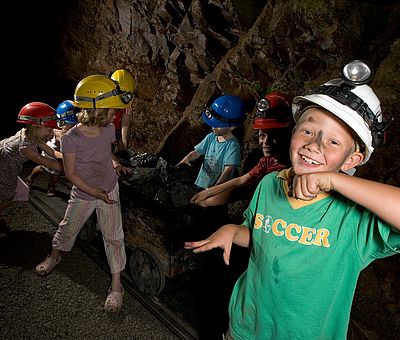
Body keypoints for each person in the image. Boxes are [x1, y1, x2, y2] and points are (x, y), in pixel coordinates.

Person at [184, 60, 400, 339]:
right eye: (308, 131)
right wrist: (234, 231)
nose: (314, 145)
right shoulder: (270, 184)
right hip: (245, 327)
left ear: (353, 159)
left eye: (334, 142)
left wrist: (333, 180)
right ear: (294, 131)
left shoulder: (355, 218)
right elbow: (262, 235)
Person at [35, 74, 133, 313]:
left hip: (109, 189)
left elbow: (106, 153)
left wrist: (116, 165)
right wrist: (94, 192)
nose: (115, 116)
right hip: (85, 193)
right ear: (97, 110)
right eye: (112, 110)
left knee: (114, 237)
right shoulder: (71, 138)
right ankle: (55, 254)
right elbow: (70, 173)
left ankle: (117, 286)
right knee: (68, 226)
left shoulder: (108, 129)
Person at [190, 92, 294, 208]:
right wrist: (206, 196)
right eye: (262, 136)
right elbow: (239, 182)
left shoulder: (296, 164)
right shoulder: (268, 162)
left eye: (274, 136)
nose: (266, 143)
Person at [0, 102, 63, 233]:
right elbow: (48, 163)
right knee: (9, 195)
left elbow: (53, 153)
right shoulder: (26, 147)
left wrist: (72, 159)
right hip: (4, 169)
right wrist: (74, 170)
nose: (51, 134)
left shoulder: (32, 133)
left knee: (22, 192)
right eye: (49, 129)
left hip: (8, 167)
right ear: (37, 126)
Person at [176, 95, 246, 190]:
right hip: (199, 185)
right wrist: (184, 162)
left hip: (214, 190)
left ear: (232, 127)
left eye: (218, 125)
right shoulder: (211, 137)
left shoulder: (232, 146)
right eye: (213, 124)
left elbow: (228, 170)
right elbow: (196, 152)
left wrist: (214, 190)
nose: (213, 127)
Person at [25, 100, 78, 196]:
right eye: (69, 125)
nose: (72, 128)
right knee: (40, 168)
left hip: (60, 156)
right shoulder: (55, 130)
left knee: (56, 176)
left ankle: (51, 185)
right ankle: (30, 178)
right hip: (50, 153)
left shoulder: (73, 131)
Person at [110, 69, 135, 154]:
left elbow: (125, 124)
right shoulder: (104, 98)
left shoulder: (127, 100)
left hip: (115, 130)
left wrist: (125, 147)